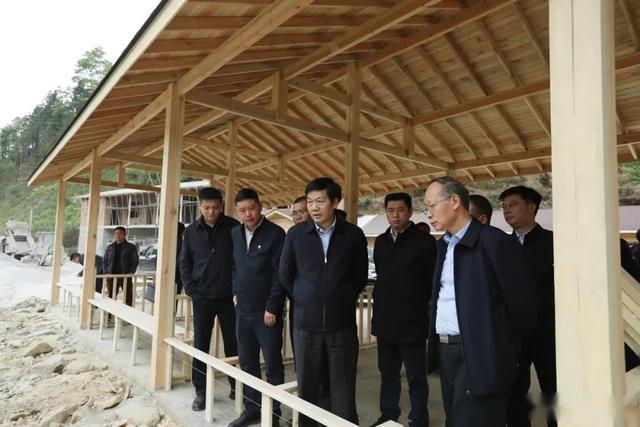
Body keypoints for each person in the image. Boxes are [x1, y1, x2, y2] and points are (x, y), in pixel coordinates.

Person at [424, 176, 536, 427]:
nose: (428, 213)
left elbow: (523, 305)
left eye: (431, 205)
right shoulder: (444, 245)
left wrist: (498, 347)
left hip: (482, 354)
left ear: (455, 201)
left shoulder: (495, 242)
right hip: (447, 350)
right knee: (455, 420)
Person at [279, 177, 368, 426]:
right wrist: (304, 297)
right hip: (306, 326)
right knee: (307, 388)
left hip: (342, 326)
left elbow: (359, 275)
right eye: (310, 202)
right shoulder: (296, 234)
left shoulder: (353, 235)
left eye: (320, 201)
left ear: (335, 202)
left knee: (343, 388)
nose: (314, 207)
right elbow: (285, 273)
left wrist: (341, 297)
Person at [370, 192, 437, 427]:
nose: (395, 215)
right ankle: (388, 415)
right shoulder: (381, 241)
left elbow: (432, 281)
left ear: (410, 211)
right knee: (388, 374)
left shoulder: (425, 242)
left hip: (413, 323)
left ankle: (419, 419)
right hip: (385, 321)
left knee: (416, 377)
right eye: (390, 210)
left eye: (400, 210)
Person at [499, 186, 556, 427]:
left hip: (548, 332)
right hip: (513, 333)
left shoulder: (553, 242)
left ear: (531, 207)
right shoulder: (501, 246)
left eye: (513, 205)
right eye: (504, 207)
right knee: (514, 391)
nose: (506, 211)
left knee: (554, 390)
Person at [229, 189, 286, 427]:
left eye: (251, 208)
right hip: (243, 310)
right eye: (242, 210)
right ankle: (252, 409)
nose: (248, 214)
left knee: (272, 363)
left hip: (266, 313)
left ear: (260, 207)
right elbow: (235, 266)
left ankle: (273, 413)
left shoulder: (276, 233)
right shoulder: (235, 233)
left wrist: (272, 307)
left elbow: (280, 274)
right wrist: (235, 292)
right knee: (247, 362)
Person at [180, 187, 239, 412]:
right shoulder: (191, 231)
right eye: (207, 208)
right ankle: (201, 392)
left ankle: (236, 386)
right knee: (201, 344)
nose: (211, 212)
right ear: (199, 206)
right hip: (202, 297)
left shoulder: (234, 227)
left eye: (215, 207)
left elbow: (239, 261)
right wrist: (191, 289)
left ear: (221, 205)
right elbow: (185, 262)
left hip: (228, 297)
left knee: (234, 343)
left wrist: (236, 289)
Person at [102, 227, 139, 306]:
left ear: (125, 235)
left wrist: (131, 272)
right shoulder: (110, 247)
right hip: (111, 275)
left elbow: (135, 260)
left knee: (128, 297)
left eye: (121, 234)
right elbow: (105, 260)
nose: (118, 235)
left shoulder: (131, 247)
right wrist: (106, 272)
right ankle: (110, 313)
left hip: (125, 275)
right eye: (116, 233)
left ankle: (128, 313)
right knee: (111, 296)